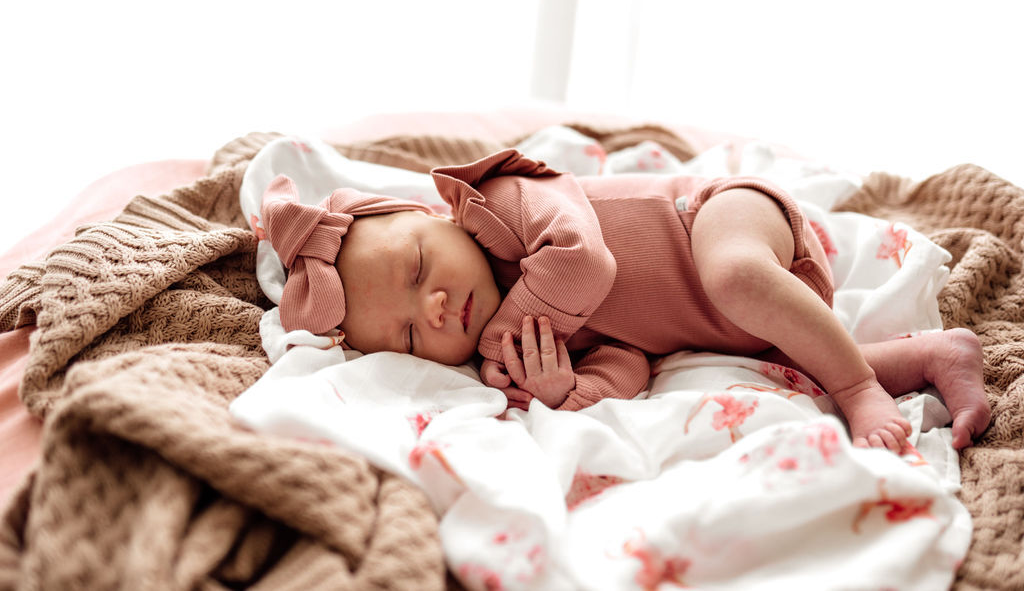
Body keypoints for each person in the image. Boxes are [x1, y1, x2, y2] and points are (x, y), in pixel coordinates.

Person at [261, 149, 990, 452]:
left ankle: (859, 388)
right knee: (771, 365)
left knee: (736, 277)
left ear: (437, 212)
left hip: (719, 220)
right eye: (413, 339)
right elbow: (632, 367)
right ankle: (931, 355)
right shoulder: (529, 340)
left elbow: (585, 260)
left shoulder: (511, 203)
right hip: (743, 319)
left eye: (420, 268)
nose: (437, 306)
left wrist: (501, 341)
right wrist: (561, 386)